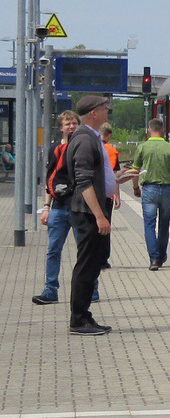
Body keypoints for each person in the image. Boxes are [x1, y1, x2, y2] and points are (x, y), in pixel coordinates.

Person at [65, 95, 126, 336]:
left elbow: (96, 176)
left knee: (93, 265)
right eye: (104, 108)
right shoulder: (84, 139)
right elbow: (83, 181)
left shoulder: (91, 137)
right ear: (93, 113)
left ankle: (85, 315)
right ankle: (78, 319)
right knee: (86, 265)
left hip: (94, 210)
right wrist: (100, 216)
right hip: (89, 212)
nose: (107, 112)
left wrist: (117, 179)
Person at [32, 110, 98, 308]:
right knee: (53, 250)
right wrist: (46, 207)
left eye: (73, 123)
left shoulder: (83, 145)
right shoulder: (54, 150)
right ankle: (50, 290)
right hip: (59, 207)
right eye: (67, 124)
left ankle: (91, 290)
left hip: (80, 206)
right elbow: (50, 180)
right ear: (60, 128)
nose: (70, 126)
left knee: (85, 251)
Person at [129, 117, 170, 270]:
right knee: (164, 225)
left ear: (149, 130)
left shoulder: (142, 147)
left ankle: (154, 259)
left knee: (149, 224)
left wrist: (135, 187)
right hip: (167, 190)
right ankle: (161, 256)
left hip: (149, 190)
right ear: (162, 131)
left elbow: (135, 170)